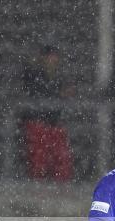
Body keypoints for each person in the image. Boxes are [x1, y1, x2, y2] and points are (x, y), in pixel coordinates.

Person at [21, 45, 75, 181]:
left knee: (61, 158)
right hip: (38, 123)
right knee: (39, 159)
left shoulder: (60, 76)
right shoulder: (34, 75)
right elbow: (35, 93)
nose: (53, 60)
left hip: (55, 123)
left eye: (54, 57)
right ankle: (38, 185)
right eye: (50, 57)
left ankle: (59, 186)